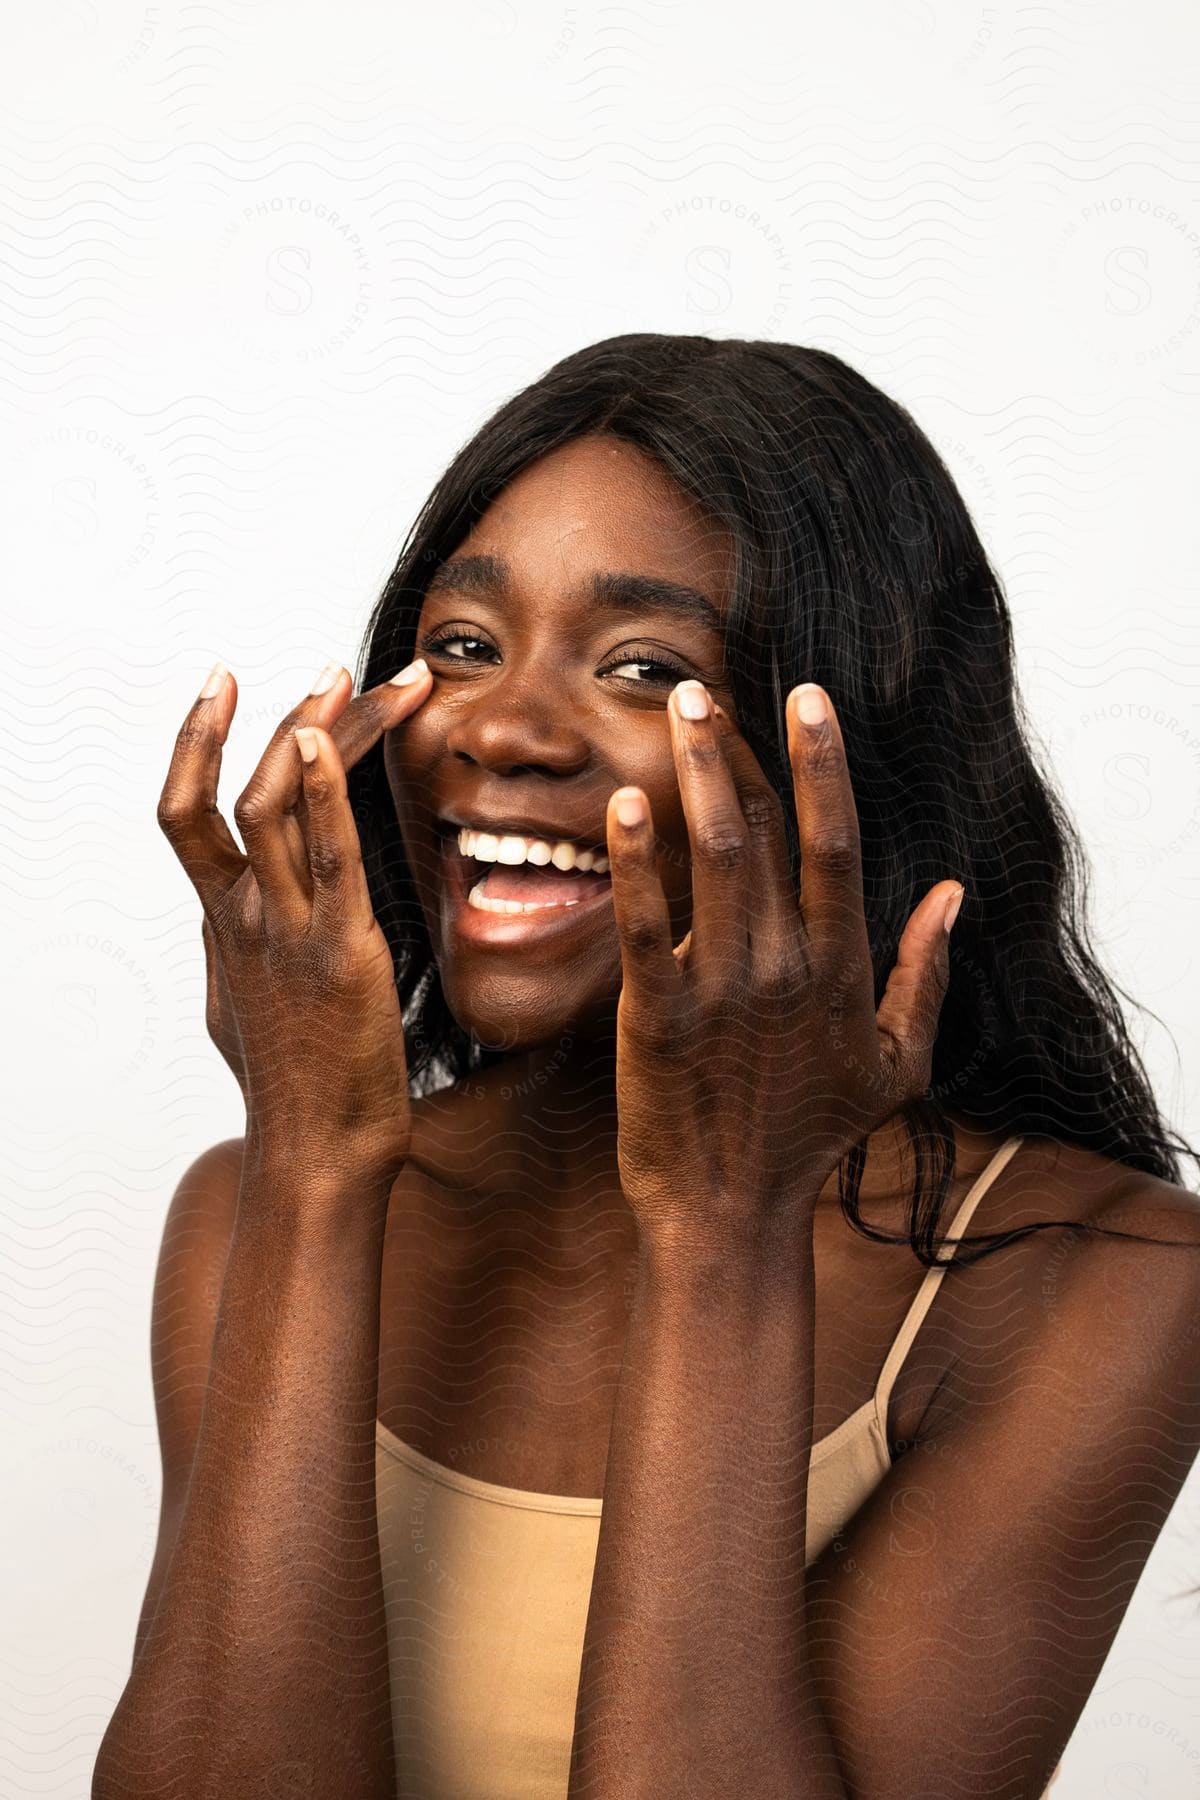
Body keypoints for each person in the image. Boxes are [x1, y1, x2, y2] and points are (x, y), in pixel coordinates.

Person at [93, 335, 1200, 1800]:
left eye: (643, 668)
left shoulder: (1099, 1276)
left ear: (849, 758)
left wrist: (727, 1229)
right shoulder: (251, 1212)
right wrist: (310, 1161)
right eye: (466, 646)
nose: (497, 728)